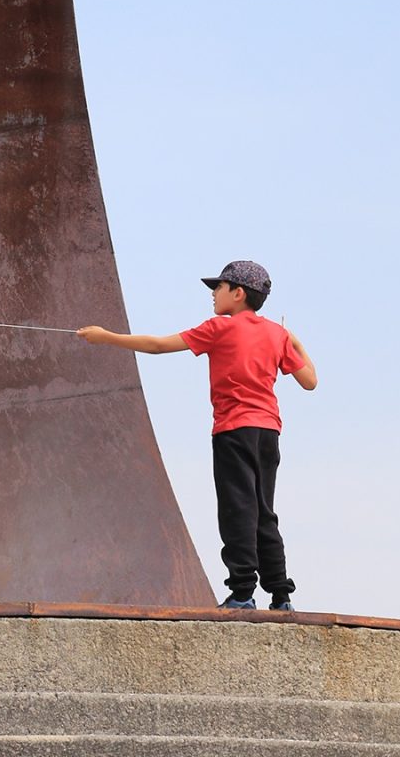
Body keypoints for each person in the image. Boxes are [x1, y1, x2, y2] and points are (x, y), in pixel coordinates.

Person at [78, 259, 316, 611]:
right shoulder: (276, 335)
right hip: (268, 433)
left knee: (238, 510)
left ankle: (242, 593)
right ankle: (281, 596)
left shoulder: (219, 328)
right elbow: (310, 381)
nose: (213, 294)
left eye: (218, 288)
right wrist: (294, 341)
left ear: (238, 293)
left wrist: (106, 337)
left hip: (233, 431)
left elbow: (158, 345)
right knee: (264, 510)